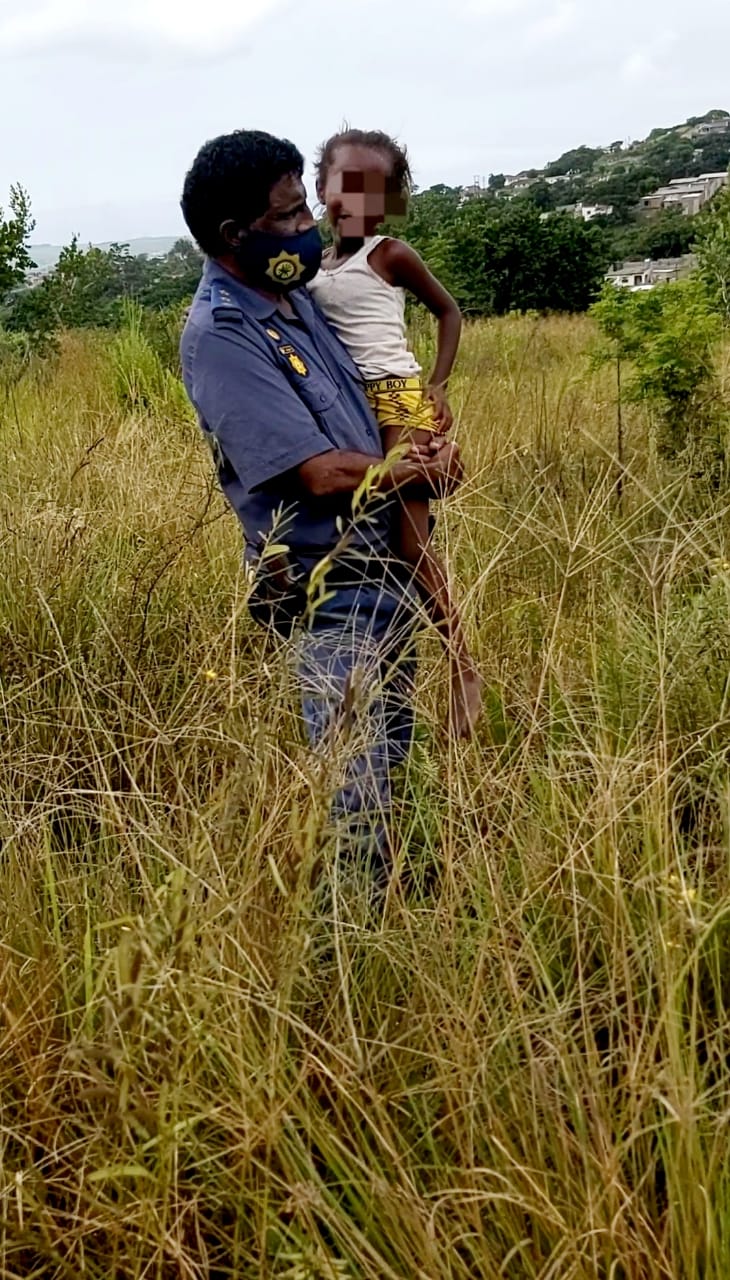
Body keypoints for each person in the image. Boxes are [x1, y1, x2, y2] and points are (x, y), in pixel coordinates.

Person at [178, 130, 464, 877]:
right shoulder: (224, 333)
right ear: (235, 236)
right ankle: (347, 959)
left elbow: (378, 398)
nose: (310, 224)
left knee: (393, 768)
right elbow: (319, 474)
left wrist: (429, 448)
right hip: (330, 590)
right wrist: (414, 474)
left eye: (306, 205)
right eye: (289, 215)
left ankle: (397, 927)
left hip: (387, 573)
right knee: (356, 797)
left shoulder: (298, 297)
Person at [308, 127, 482, 739]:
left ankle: (463, 666)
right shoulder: (311, 264)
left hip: (399, 401)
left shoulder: (389, 253)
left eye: (373, 189)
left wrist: (436, 385)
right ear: (321, 186)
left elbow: (448, 311)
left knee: (410, 547)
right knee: (369, 545)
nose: (354, 199)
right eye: (343, 183)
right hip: (351, 410)